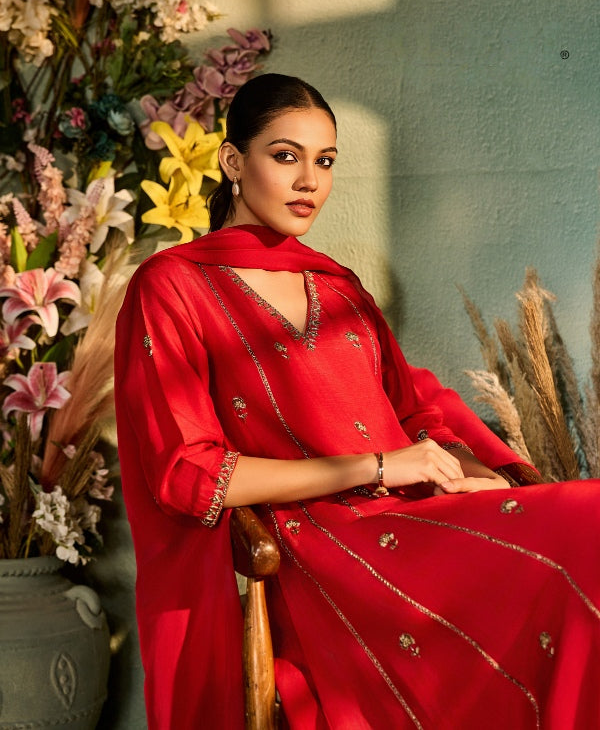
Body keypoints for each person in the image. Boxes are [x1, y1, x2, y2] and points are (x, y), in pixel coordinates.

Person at [115, 73, 600, 730]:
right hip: (322, 553)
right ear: (232, 161)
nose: (308, 181)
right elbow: (189, 475)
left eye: (325, 161)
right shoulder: (172, 287)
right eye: (285, 156)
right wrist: (376, 467)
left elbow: (414, 416)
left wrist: (474, 472)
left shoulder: (338, 286)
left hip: (412, 516)